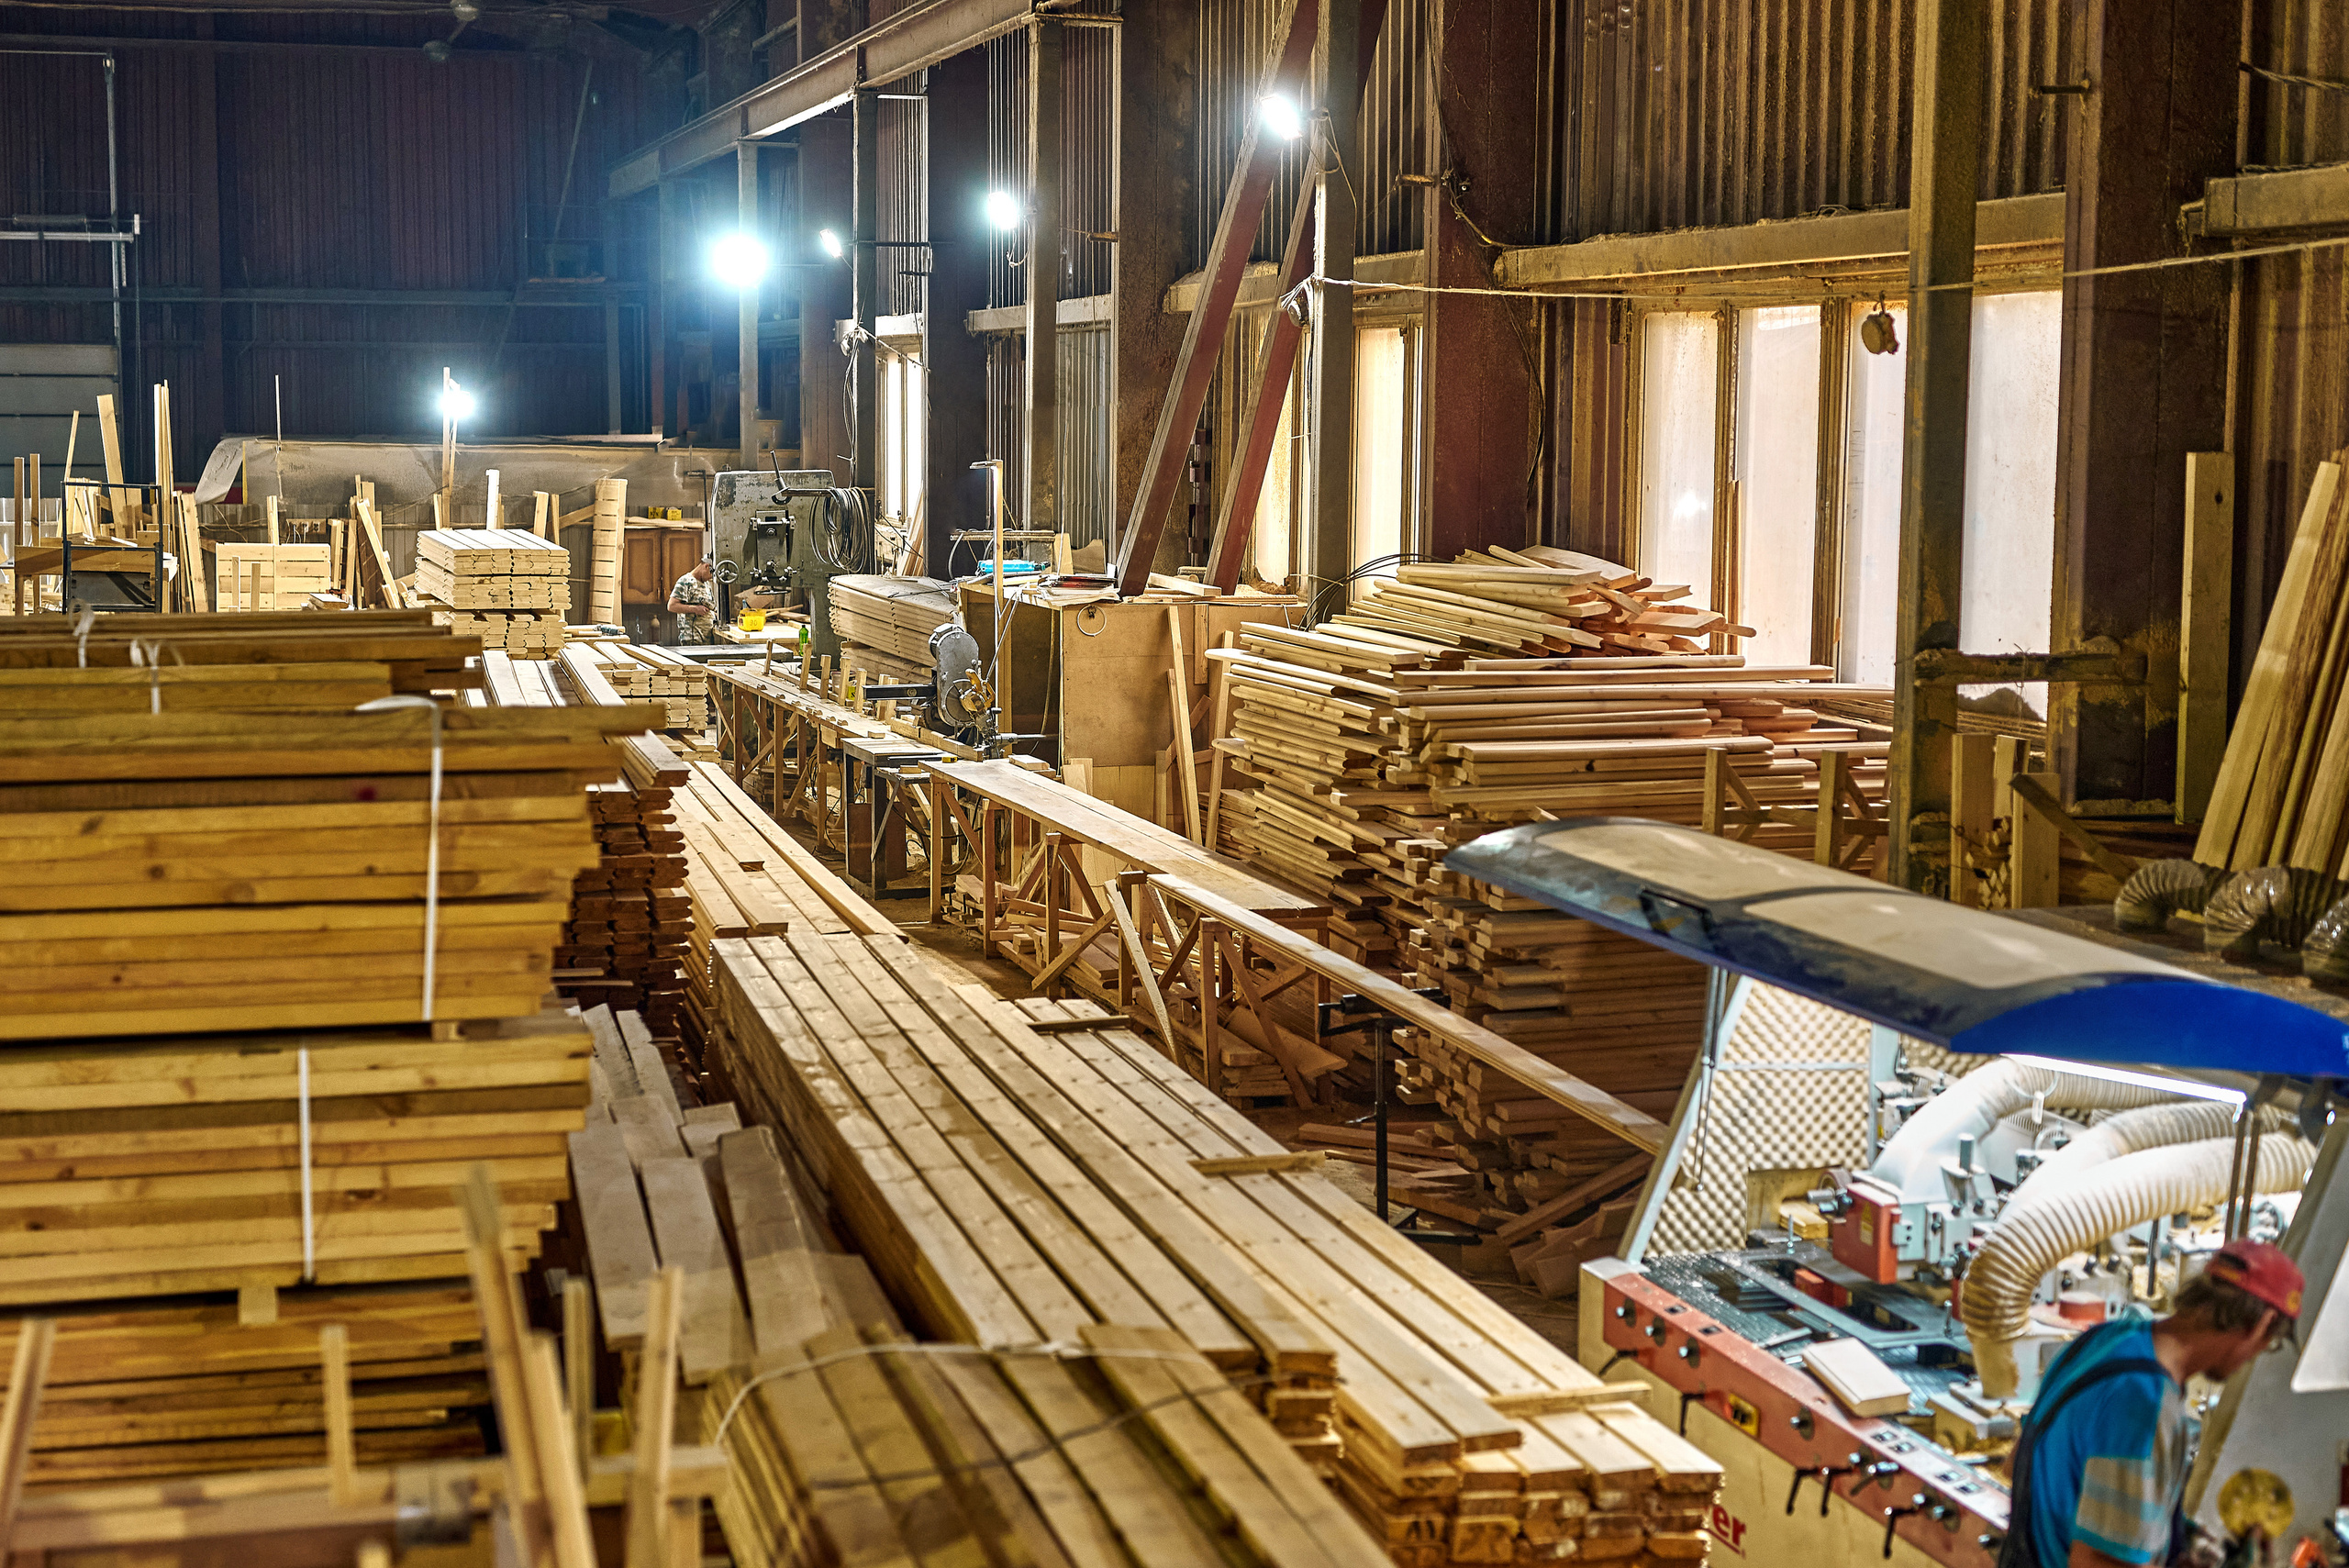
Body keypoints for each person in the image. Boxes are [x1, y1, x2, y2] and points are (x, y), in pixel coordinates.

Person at [2001, 1238, 2303, 1568]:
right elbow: (2099, 1564)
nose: (2253, 1358)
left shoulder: (2105, 1339)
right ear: (2262, 1324)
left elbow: (2016, 1465)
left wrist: (2163, 1534)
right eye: (2267, 1344)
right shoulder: (2147, 1404)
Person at [667, 555, 718, 645]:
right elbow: (671, 606)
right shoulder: (685, 581)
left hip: (706, 639)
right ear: (707, 567)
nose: (711, 578)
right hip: (692, 640)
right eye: (712, 575)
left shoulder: (706, 584)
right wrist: (695, 609)